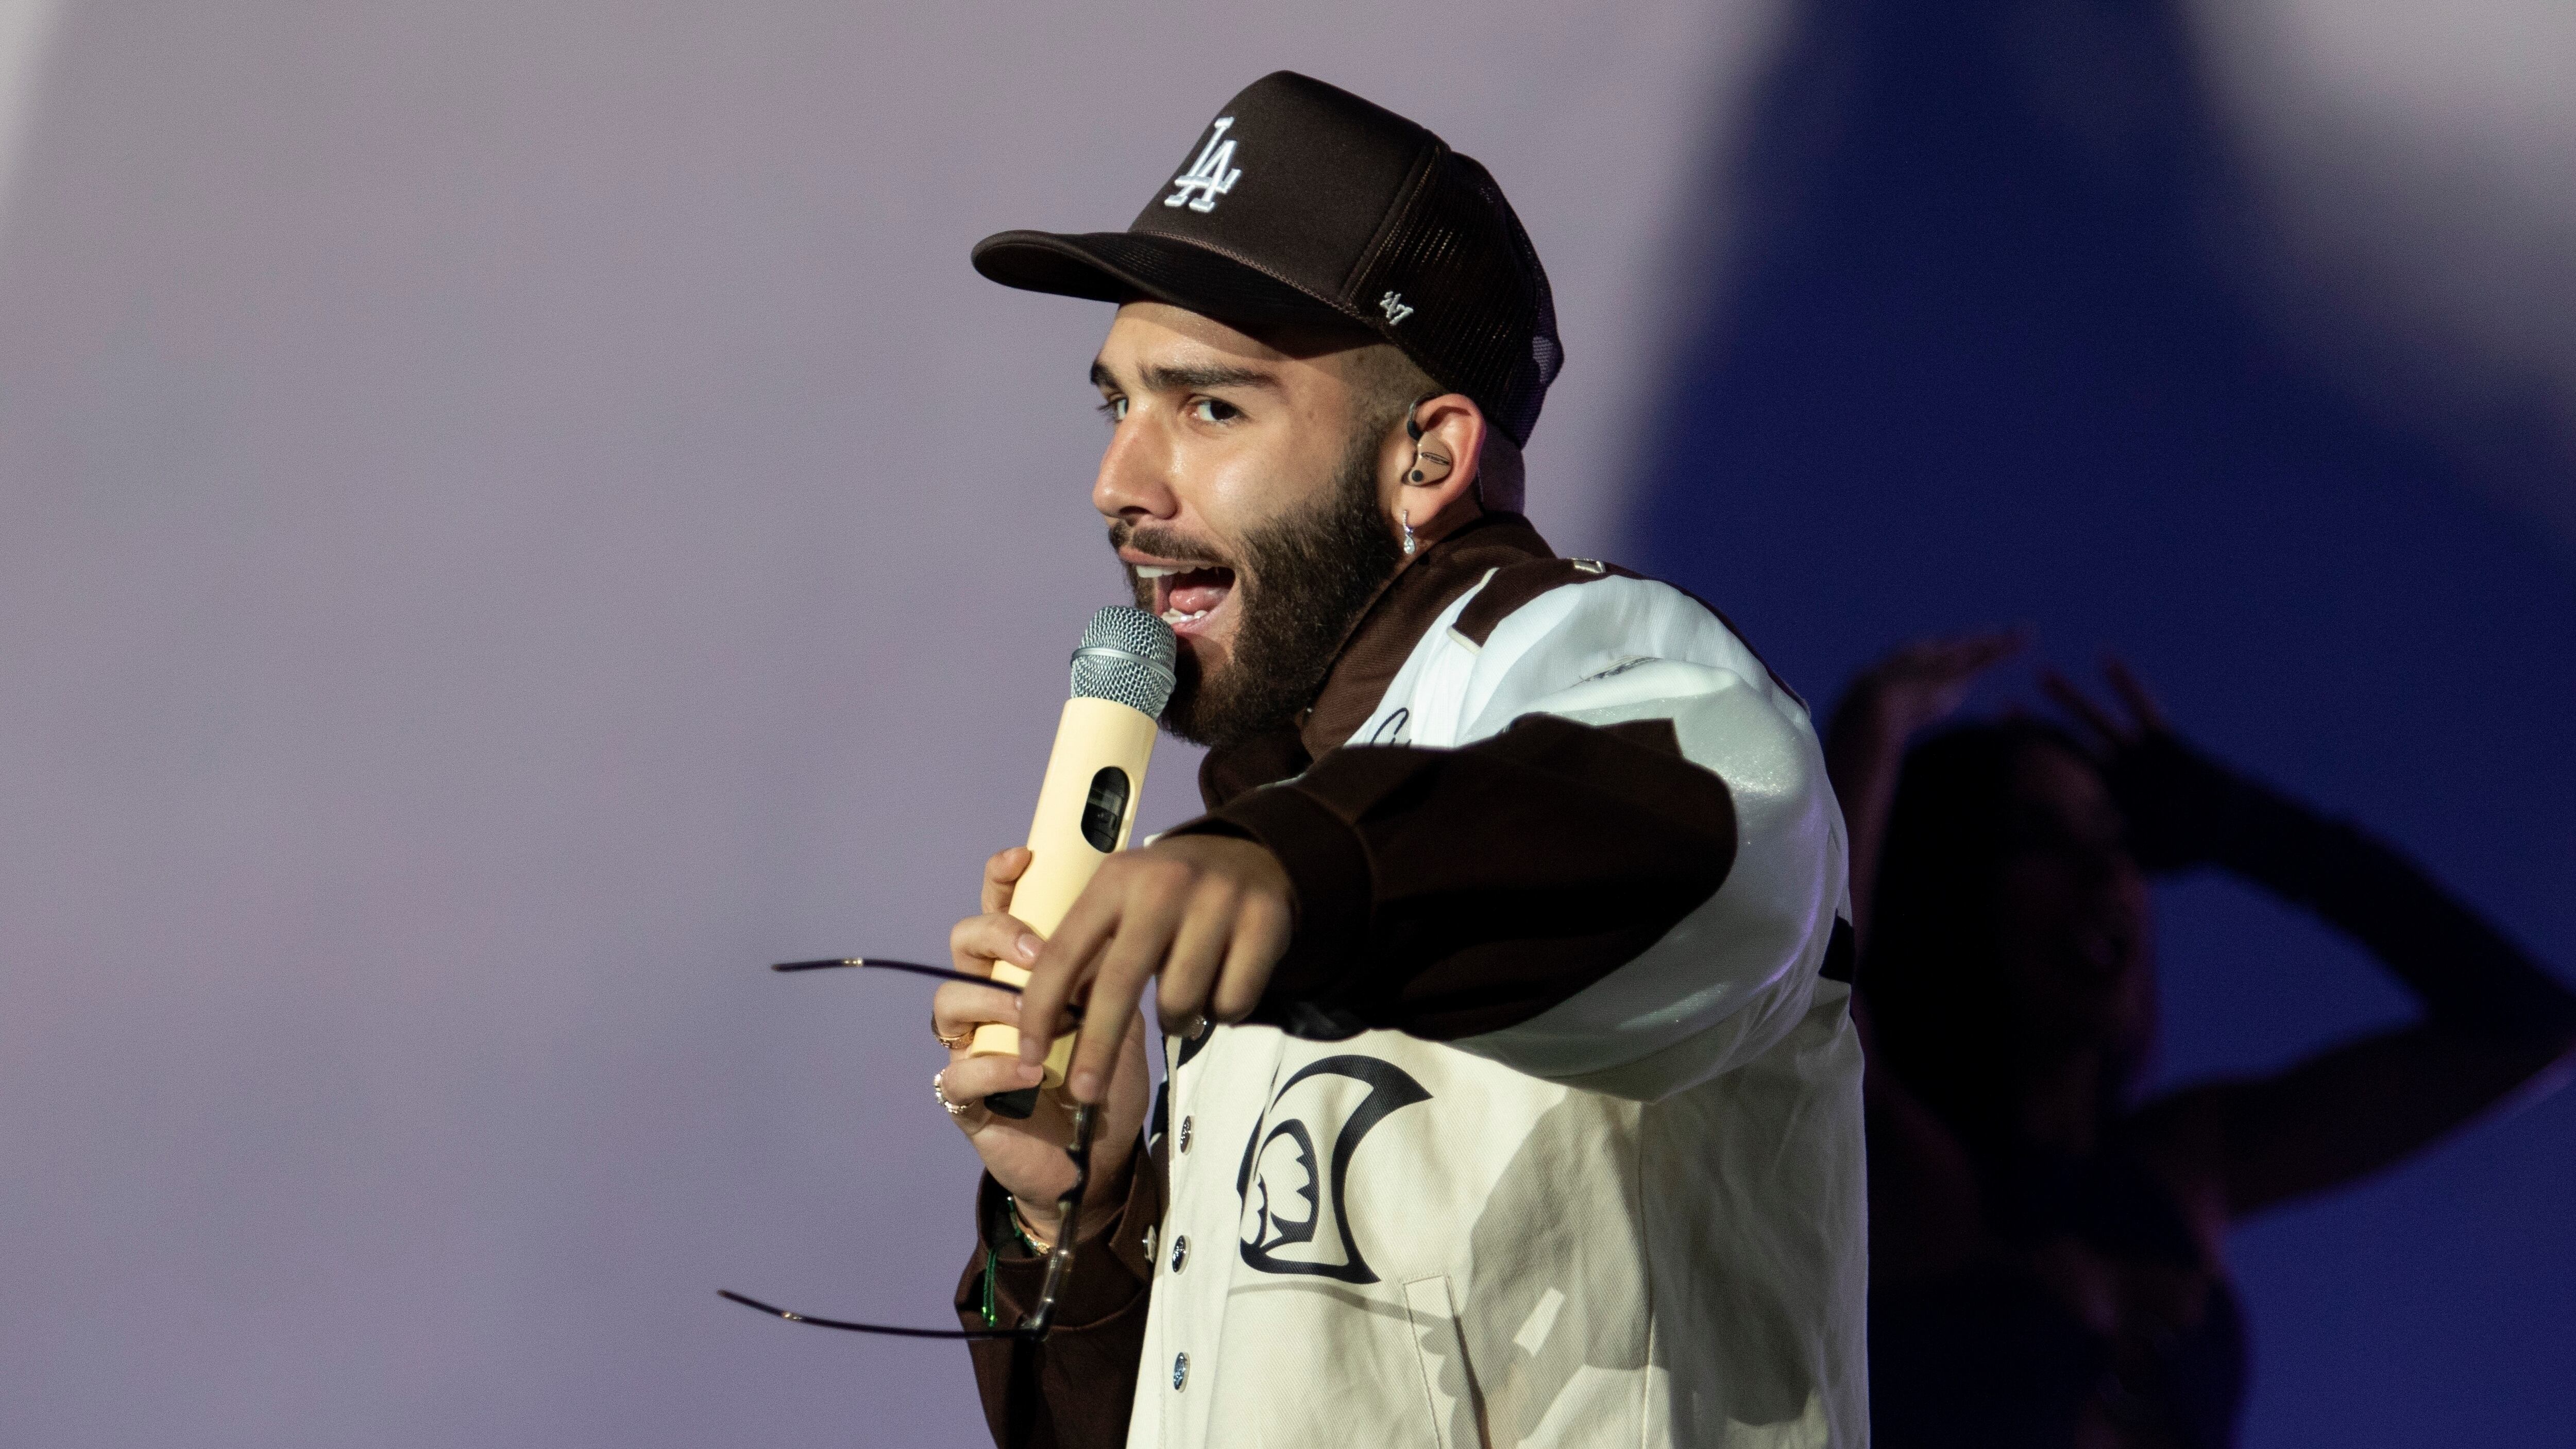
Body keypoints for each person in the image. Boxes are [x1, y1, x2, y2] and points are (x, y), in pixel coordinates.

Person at [922, 73, 1863, 1449]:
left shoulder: (1588, 657)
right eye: (1117, 402)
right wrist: (1086, 1204)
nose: (1119, 480)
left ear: (1426, 456)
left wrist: (1296, 868)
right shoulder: (1276, 852)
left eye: (1208, 409)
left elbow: (1727, 841)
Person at [1824, 636, 2576, 1449]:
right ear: (1949, 888)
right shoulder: (1882, 1150)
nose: (2102, 875)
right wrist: (1872, 732)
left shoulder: (2185, 1161)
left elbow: (2524, 1031)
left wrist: (2244, 825)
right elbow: (1807, 1016)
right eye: (2039, 839)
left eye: (2118, 840)